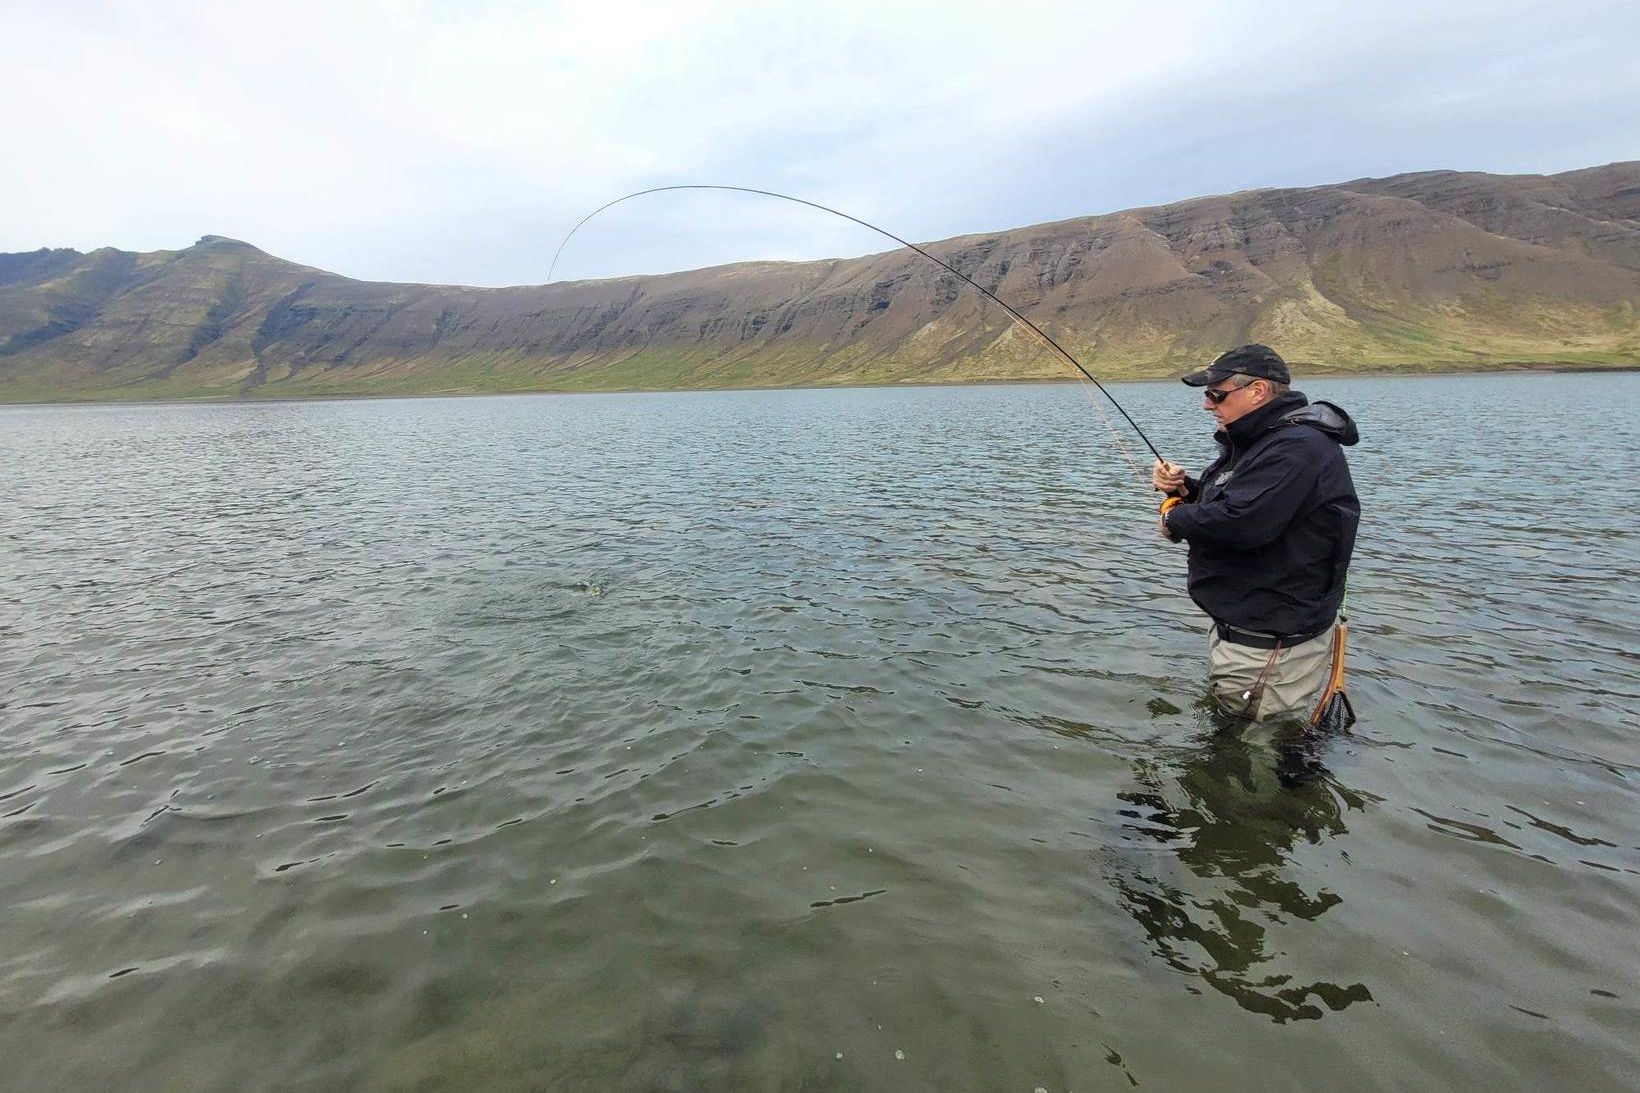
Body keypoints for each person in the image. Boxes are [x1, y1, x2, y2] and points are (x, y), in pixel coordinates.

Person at [1153, 344, 1359, 722]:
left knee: (1256, 751)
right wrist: (1186, 491)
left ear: (1258, 392)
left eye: (1216, 394)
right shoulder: (1266, 442)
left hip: (1271, 644)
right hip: (1253, 634)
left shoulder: (1297, 448)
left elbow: (1240, 522)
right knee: (1238, 736)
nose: (1207, 405)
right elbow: (1246, 502)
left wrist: (1174, 519)